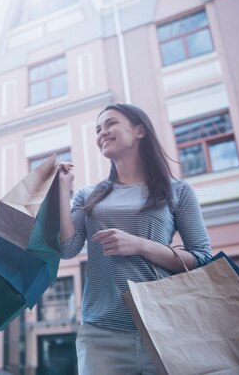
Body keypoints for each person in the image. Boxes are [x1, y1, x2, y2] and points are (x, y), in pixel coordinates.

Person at [57, 103, 212, 375]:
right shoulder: (87, 195)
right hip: (100, 333)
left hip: (165, 328)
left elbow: (202, 259)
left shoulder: (178, 191)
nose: (102, 132)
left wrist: (140, 244)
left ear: (139, 130)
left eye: (110, 124)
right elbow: (67, 249)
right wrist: (62, 190)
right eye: (97, 129)